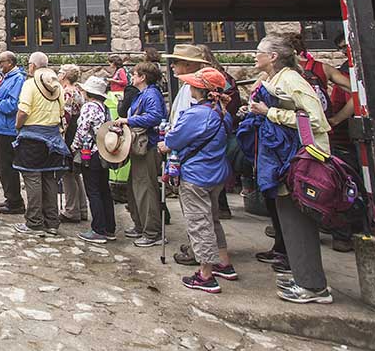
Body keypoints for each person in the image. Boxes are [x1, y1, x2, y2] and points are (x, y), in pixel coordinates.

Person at [248, 34, 334, 303]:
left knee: (299, 223)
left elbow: (316, 120)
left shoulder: (292, 80)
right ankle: (303, 276)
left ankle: (313, 286)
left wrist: (269, 113)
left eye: (259, 51)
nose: (254, 56)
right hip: (284, 161)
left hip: (301, 162)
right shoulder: (274, 80)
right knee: (289, 222)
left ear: (273, 57)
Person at [161, 67, 236, 293]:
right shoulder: (223, 113)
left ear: (200, 89)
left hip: (196, 174)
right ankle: (224, 262)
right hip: (216, 172)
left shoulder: (197, 114)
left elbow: (175, 138)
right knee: (212, 219)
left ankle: (205, 274)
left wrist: (167, 142)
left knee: (198, 222)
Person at [111, 60, 167, 247]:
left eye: (134, 74)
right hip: (139, 146)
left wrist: (128, 120)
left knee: (145, 188)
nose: (132, 77)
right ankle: (141, 225)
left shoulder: (150, 94)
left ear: (143, 77)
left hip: (147, 146)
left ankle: (152, 232)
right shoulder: (145, 94)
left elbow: (155, 116)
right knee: (135, 188)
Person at [12, 52, 68, 236]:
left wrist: (18, 126)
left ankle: (34, 222)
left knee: (32, 179)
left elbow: (23, 111)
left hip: (32, 137)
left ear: (33, 66)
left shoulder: (30, 84)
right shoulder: (57, 85)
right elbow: (62, 111)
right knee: (49, 179)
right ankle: (52, 221)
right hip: (52, 136)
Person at [73, 76, 114, 243]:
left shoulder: (89, 107)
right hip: (104, 151)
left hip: (90, 152)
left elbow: (83, 130)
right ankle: (109, 227)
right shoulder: (104, 108)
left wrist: (73, 147)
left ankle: (98, 229)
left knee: (94, 190)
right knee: (104, 190)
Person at [0, 51, 28, 215]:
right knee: (3, 166)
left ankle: (15, 201)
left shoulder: (18, 79)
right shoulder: (6, 78)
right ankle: (11, 197)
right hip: (1, 127)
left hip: (8, 128)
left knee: (8, 165)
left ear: (11, 63)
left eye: (1, 62)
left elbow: (12, 105)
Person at [58, 64, 89, 224]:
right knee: (75, 173)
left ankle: (71, 210)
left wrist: (60, 133)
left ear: (64, 76)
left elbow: (66, 116)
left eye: (60, 72)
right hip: (77, 131)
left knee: (67, 173)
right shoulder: (78, 91)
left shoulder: (66, 92)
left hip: (69, 134)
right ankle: (82, 207)